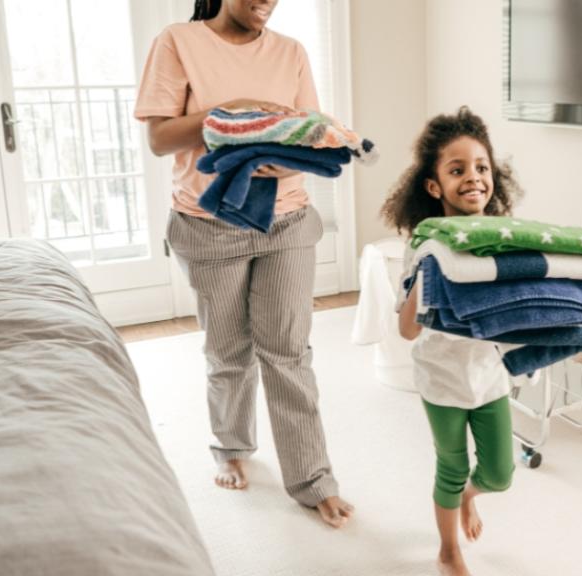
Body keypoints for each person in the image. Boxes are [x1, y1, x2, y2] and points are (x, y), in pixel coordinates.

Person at [133, 0, 353, 528]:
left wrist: (292, 143)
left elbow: (305, 128)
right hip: (209, 224)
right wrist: (231, 114)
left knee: (288, 351)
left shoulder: (291, 52)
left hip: (288, 218)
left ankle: (312, 477)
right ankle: (230, 445)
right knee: (230, 349)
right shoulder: (177, 41)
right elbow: (161, 138)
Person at [381, 106, 524, 576]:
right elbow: (406, 329)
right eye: (457, 169)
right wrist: (431, 267)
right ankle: (448, 550)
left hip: (488, 375)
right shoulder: (422, 245)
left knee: (500, 474)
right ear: (433, 185)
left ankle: (471, 497)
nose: (473, 178)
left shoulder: (500, 242)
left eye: (481, 168)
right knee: (450, 467)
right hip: (441, 377)